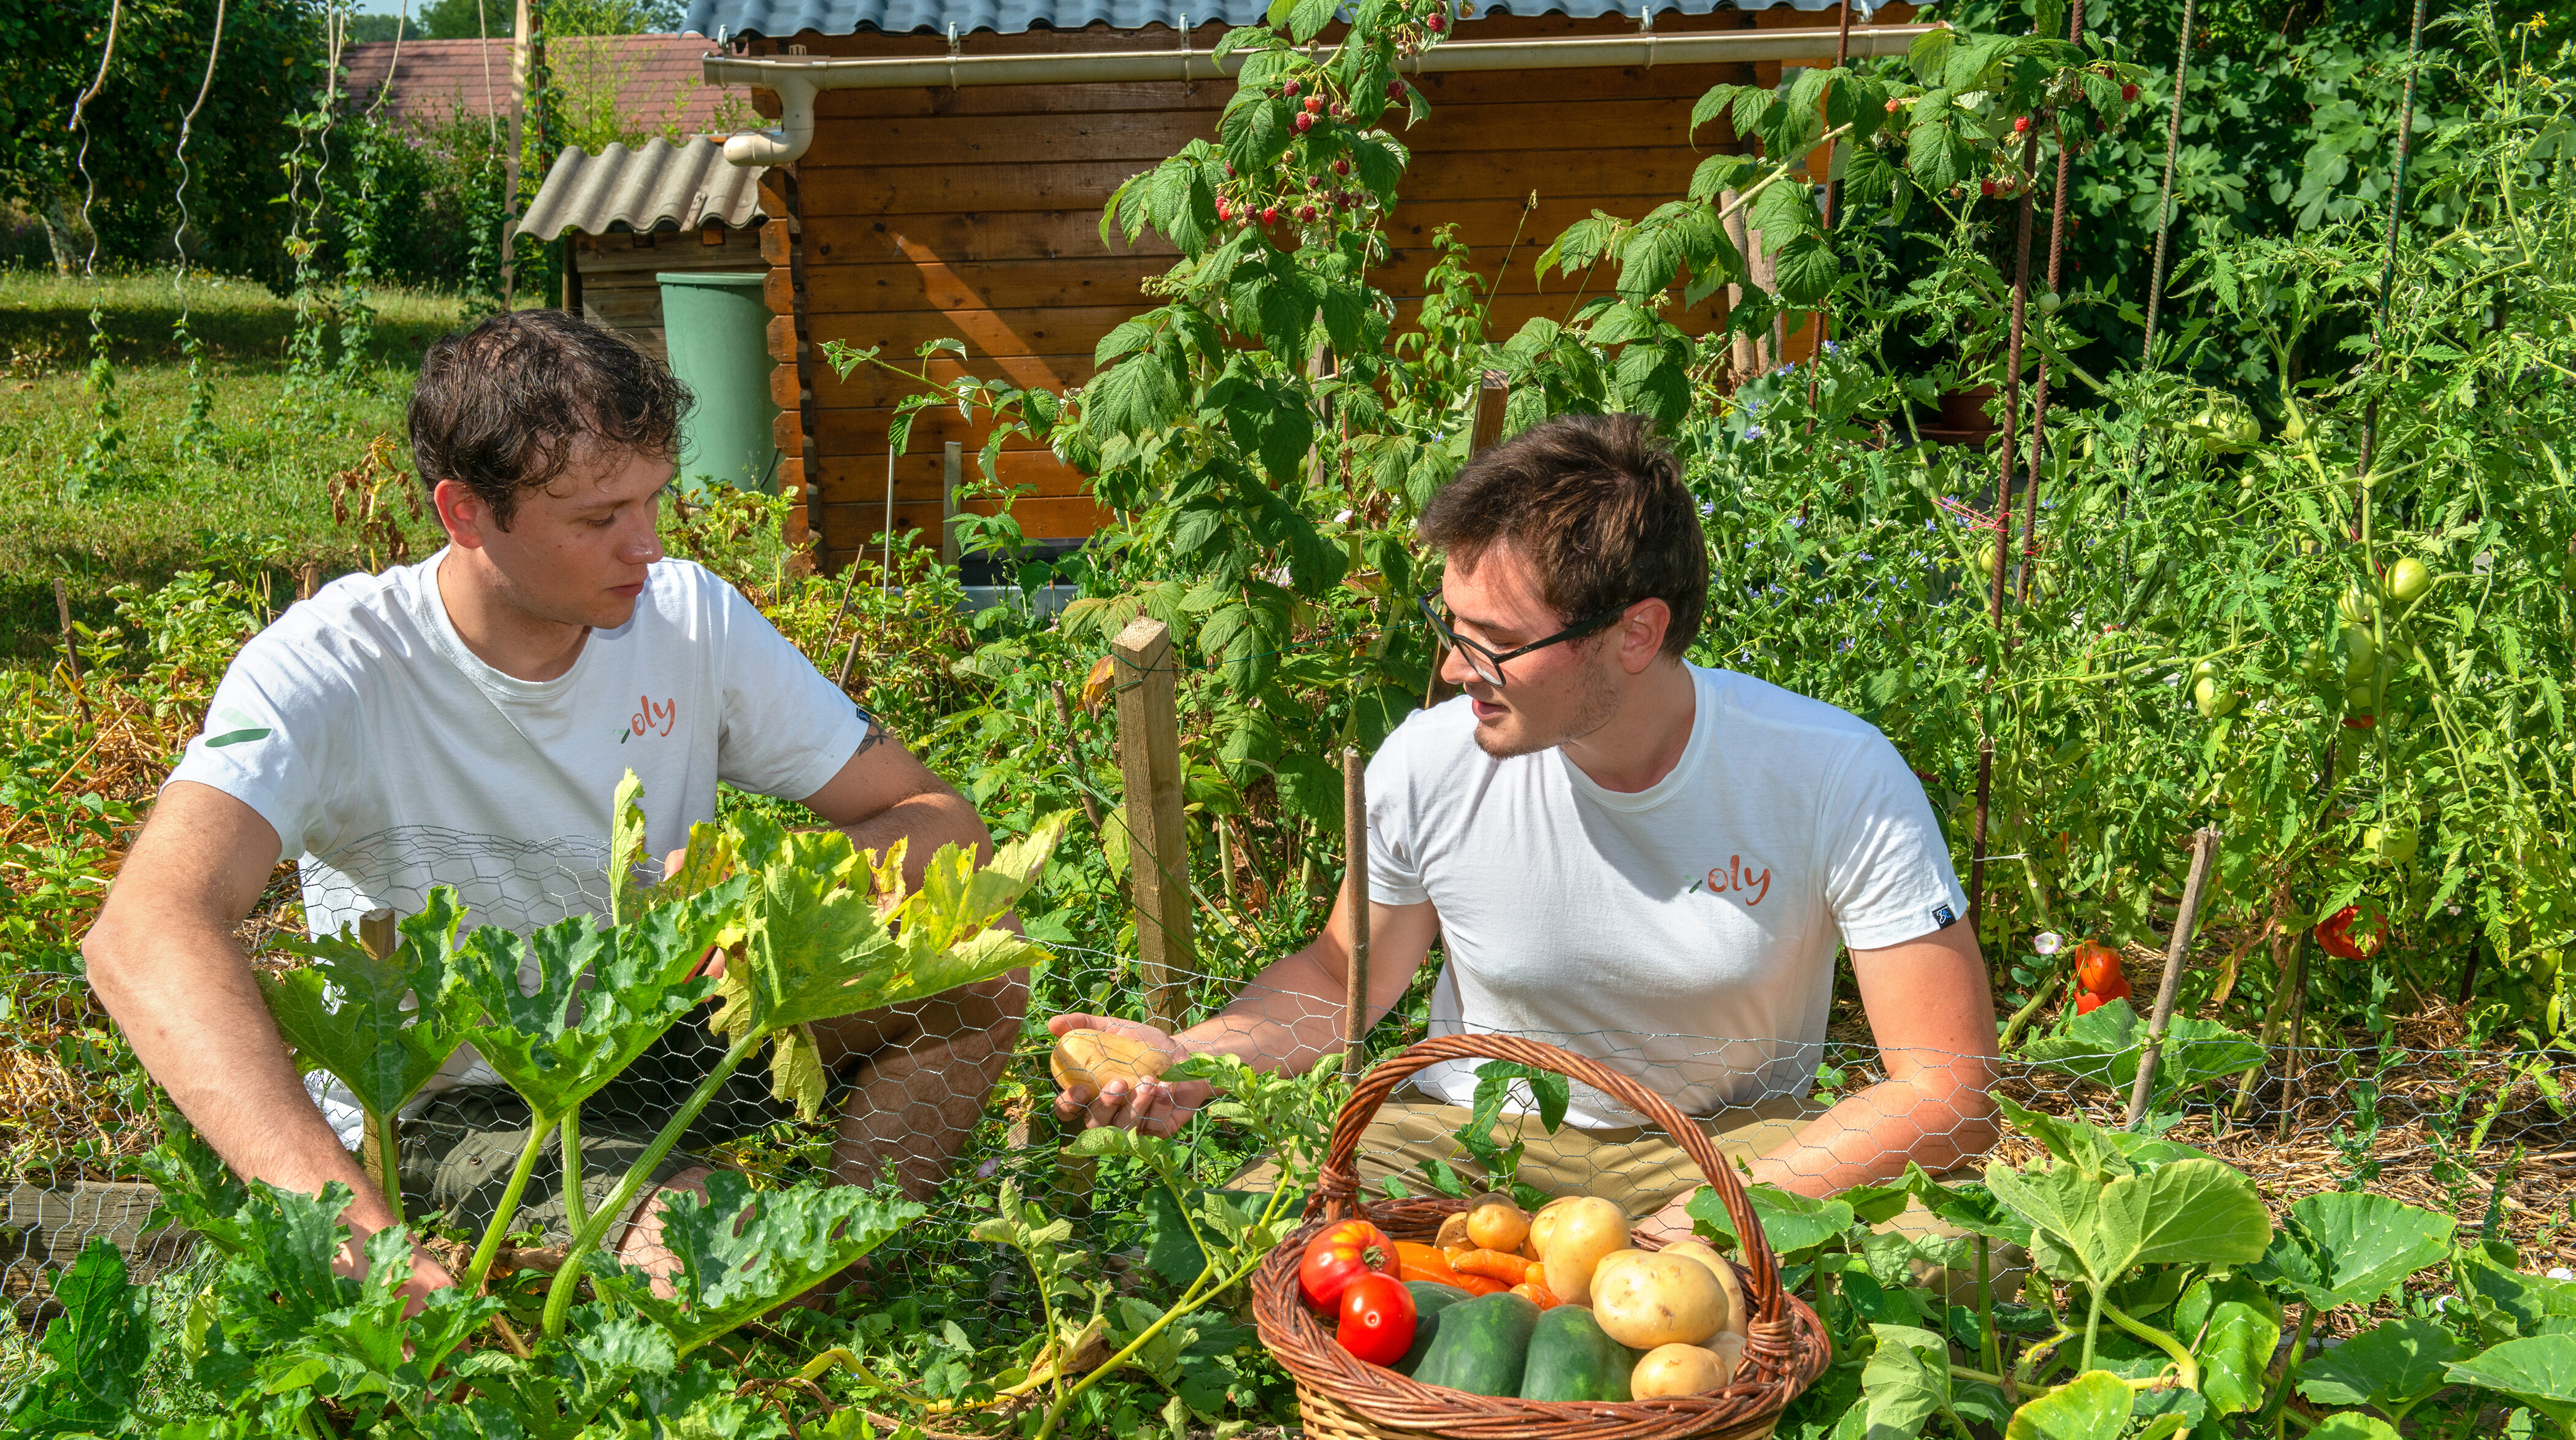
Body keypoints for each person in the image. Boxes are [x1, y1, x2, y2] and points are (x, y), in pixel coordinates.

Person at [85, 311, 1022, 1311]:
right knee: (731, 1254)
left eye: (653, 501)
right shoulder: (331, 668)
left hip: (666, 1036)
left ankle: (848, 1265)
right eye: (595, 519)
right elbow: (144, 930)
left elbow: (937, 817)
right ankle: (671, 1253)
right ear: (464, 513)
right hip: (460, 1103)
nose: (647, 546)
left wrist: (775, 889)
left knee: (977, 968)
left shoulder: (689, 617)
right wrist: (337, 1216)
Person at [1049, 413, 1996, 1246]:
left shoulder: (1832, 772)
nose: (1456, 670)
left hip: (1730, 1150)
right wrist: (1190, 1057)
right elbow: (1345, 973)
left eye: (1494, 641)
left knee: (1951, 1256)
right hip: (1470, 1139)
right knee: (1245, 1244)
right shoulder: (1430, 762)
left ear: (1634, 633)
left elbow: (1946, 1089)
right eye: (1450, 623)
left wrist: (1704, 1226)